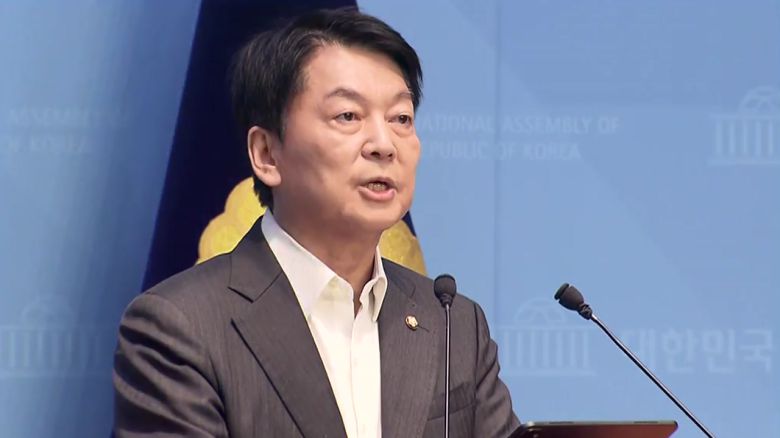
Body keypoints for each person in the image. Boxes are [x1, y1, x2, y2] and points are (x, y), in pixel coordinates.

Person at [113, 8, 519, 438]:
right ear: (267, 154)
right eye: (348, 116)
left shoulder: (454, 325)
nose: (384, 144)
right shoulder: (179, 328)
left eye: (401, 118)